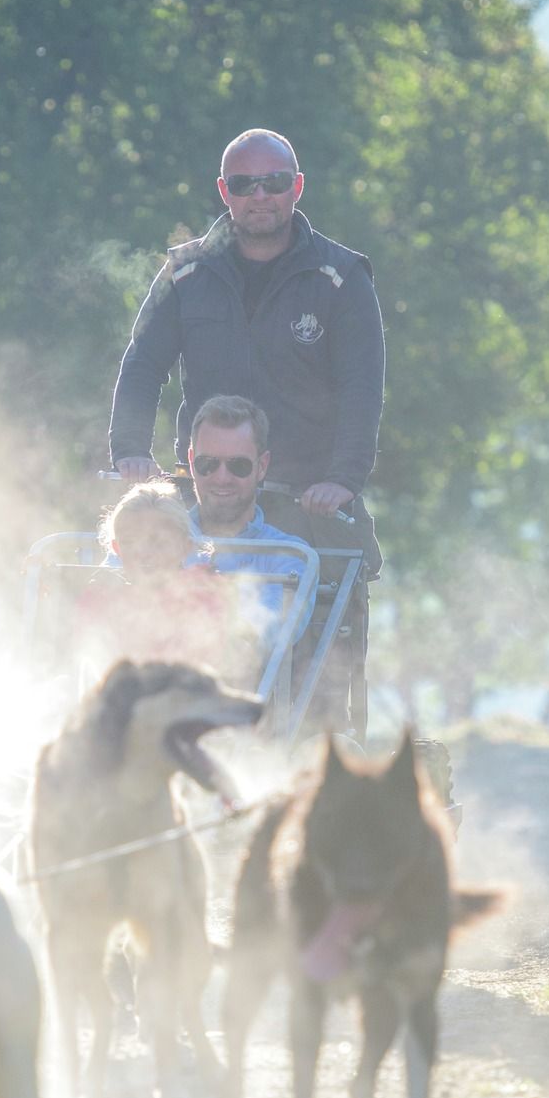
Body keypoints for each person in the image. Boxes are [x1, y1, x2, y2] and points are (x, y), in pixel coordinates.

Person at [105, 127, 384, 732]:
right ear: (224, 192)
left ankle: (306, 766)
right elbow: (143, 363)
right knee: (149, 604)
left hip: (307, 502)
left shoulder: (340, 277)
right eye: (244, 184)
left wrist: (342, 480)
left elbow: (362, 390)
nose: (260, 195)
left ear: (297, 187)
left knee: (313, 664)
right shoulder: (185, 273)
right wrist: (130, 452)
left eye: (274, 182)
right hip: (211, 486)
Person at [73, 478, 252, 684]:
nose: (143, 552)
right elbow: (87, 663)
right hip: (117, 704)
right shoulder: (102, 600)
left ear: (184, 547)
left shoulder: (204, 596)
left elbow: (205, 668)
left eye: (158, 541)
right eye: (130, 541)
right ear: (116, 548)